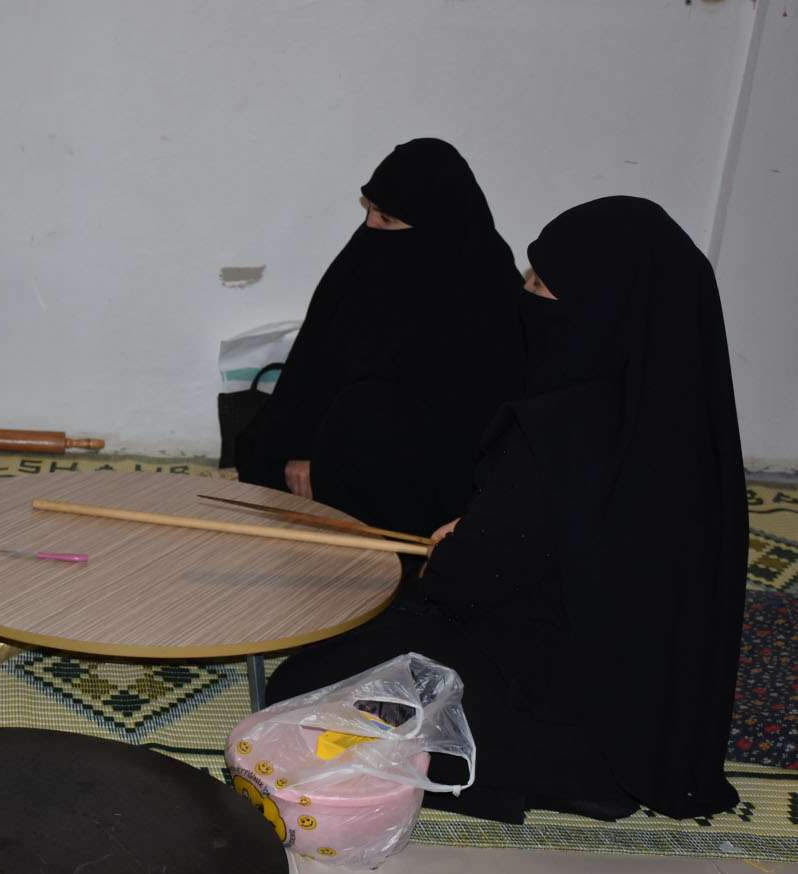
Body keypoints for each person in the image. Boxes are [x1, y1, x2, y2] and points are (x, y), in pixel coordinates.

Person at [265, 197, 747, 824]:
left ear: (595, 307)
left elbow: (471, 583)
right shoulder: (685, 419)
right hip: (655, 707)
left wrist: (452, 548)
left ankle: (541, 772)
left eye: (540, 285)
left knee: (303, 682)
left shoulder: (562, 426)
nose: (523, 295)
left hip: (561, 702)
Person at [235, 139, 524, 537]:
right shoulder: (361, 264)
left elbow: (462, 423)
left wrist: (331, 464)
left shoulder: (486, 293)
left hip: (423, 490)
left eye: (387, 218)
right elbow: (309, 374)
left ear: (434, 226)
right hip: (324, 466)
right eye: (368, 209)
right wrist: (294, 453)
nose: (370, 226)